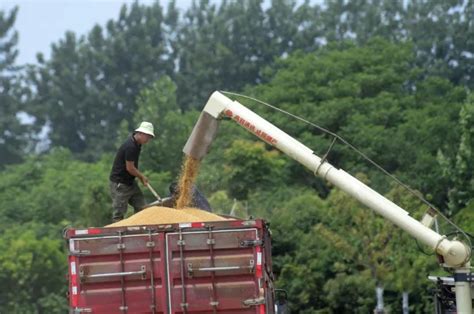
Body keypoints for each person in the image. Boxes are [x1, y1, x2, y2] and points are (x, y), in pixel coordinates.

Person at [109, 121, 154, 221]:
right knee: (119, 213)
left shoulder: (137, 145)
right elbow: (130, 168)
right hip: (120, 184)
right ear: (141, 133)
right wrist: (142, 177)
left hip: (130, 182)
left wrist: (139, 177)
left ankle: (139, 227)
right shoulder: (130, 146)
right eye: (148, 136)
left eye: (150, 137)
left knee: (142, 207)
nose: (148, 139)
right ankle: (118, 233)